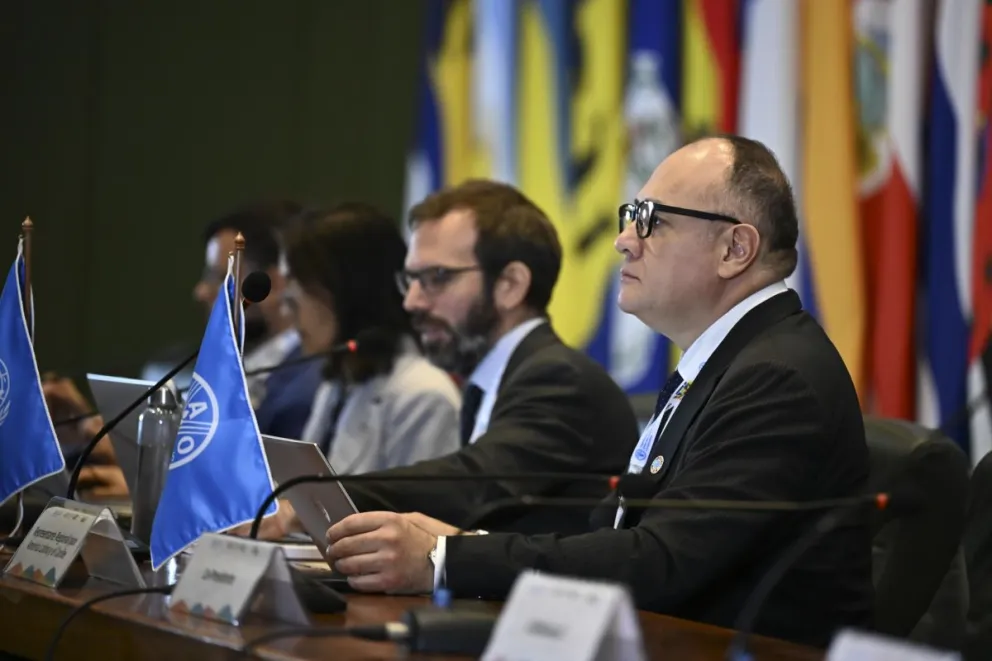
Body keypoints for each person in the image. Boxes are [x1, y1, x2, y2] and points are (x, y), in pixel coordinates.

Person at [324, 137, 873, 649]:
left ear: (735, 247)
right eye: (630, 217)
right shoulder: (732, 361)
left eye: (651, 221)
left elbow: (660, 562)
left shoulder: (775, 378)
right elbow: (616, 534)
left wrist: (447, 557)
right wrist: (458, 543)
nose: (623, 241)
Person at [44, 201, 320, 497]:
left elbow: (260, 488)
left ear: (272, 283)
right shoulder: (239, 362)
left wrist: (153, 488)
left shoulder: (305, 382)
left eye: (219, 276)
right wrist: (89, 428)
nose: (201, 291)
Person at [284, 203, 461, 471]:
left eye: (304, 285)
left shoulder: (424, 397)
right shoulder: (339, 384)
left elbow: (414, 510)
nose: (289, 305)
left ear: (349, 290)